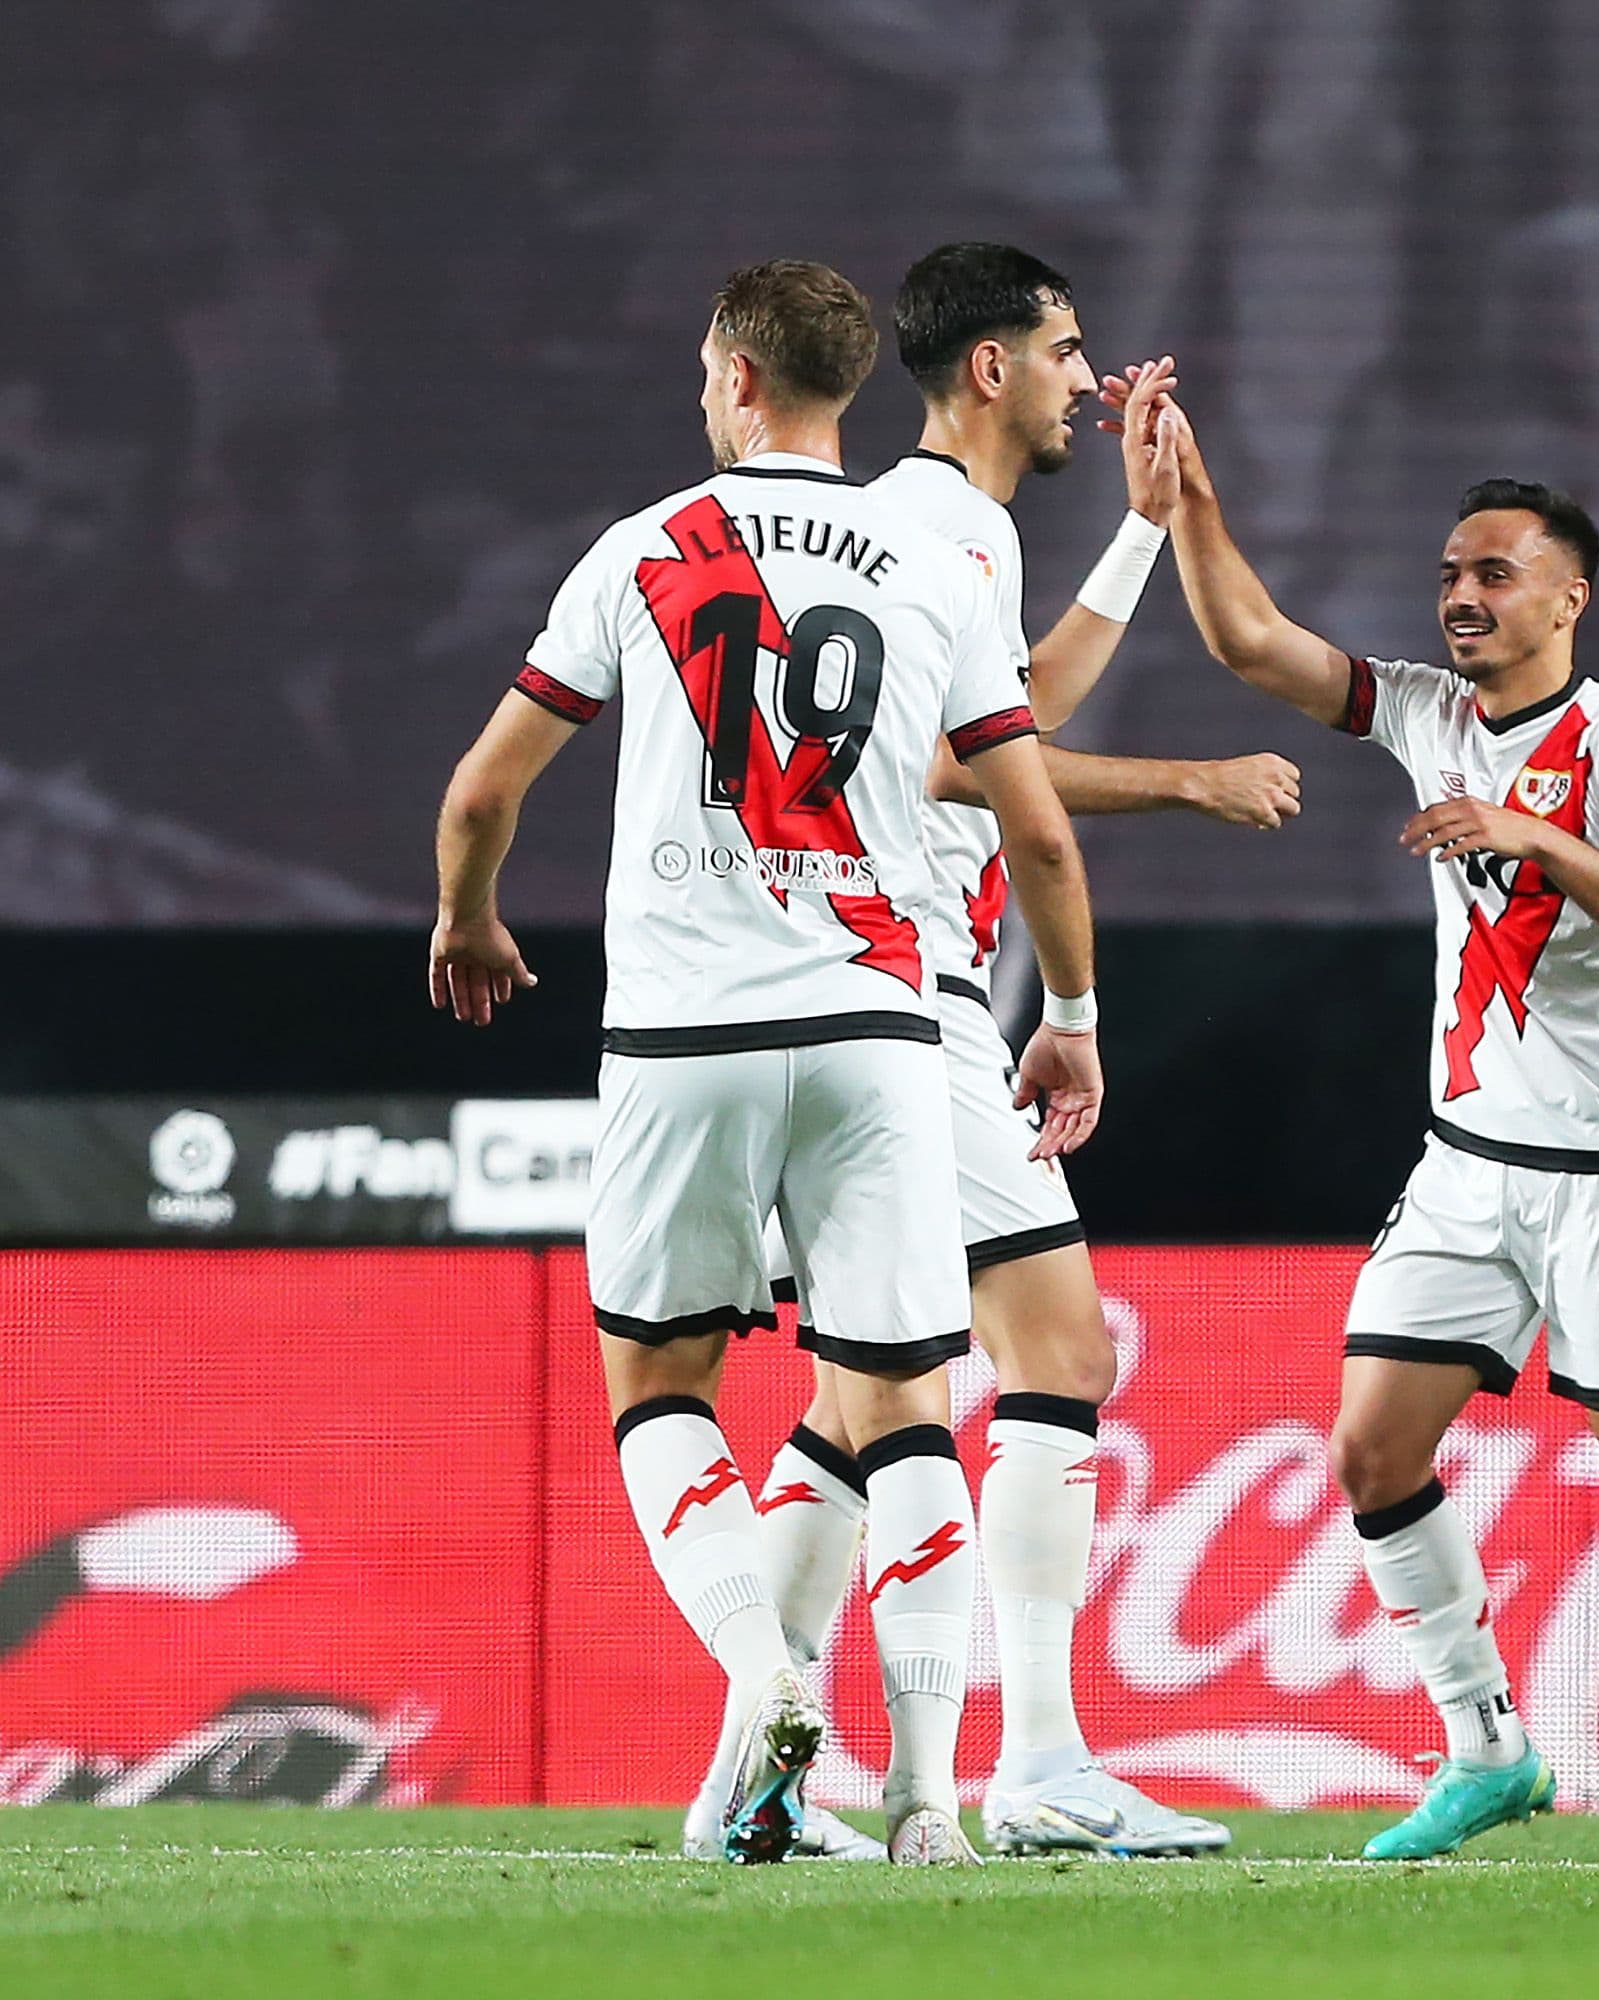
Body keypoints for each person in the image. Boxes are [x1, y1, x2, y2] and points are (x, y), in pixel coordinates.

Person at [429, 259, 1103, 1867]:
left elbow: (481, 792)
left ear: (735, 373)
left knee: (664, 1386)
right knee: (907, 1404)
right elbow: (1041, 831)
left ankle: (765, 1677)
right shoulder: (919, 554)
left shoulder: (648, 547)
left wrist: (469, 920)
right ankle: (931, 1802)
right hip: (880, 1028)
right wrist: (1066, 1015)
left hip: (684, 1031)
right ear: (852, 384)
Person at [679, 243, 1295, 1864]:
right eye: (1072, 351)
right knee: (1060, 1359)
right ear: (990, 371)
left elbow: (1009, 706)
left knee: (856, 1393)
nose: (1098, 382)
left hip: (821, 997)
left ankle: (755, 1763)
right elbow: (977, 778)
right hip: (913, 999)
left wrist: (1144, 539)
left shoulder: (936, 524)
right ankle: (1035, 1761)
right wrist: (1189, 784)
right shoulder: (944, 524)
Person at [1156, 405, 1599, 1866]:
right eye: (1451, 571)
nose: (1462, 595)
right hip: (1465, 1166)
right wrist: (1185, 496)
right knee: (1371, 1452)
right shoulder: (1431, 712)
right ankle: (1488, 1747)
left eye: (1495, 573)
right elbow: (1253, 641)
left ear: (1570, 599)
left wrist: (1539, 839)